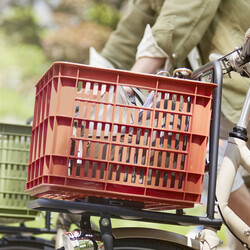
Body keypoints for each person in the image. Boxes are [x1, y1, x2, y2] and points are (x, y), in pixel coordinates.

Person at [56, 1, 250, 249]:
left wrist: (126, 85)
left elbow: (179, 19)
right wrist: (88, 96)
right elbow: (128, 35)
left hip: (235, 85)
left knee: (206, 158)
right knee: (210, 163)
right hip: (218, 93)